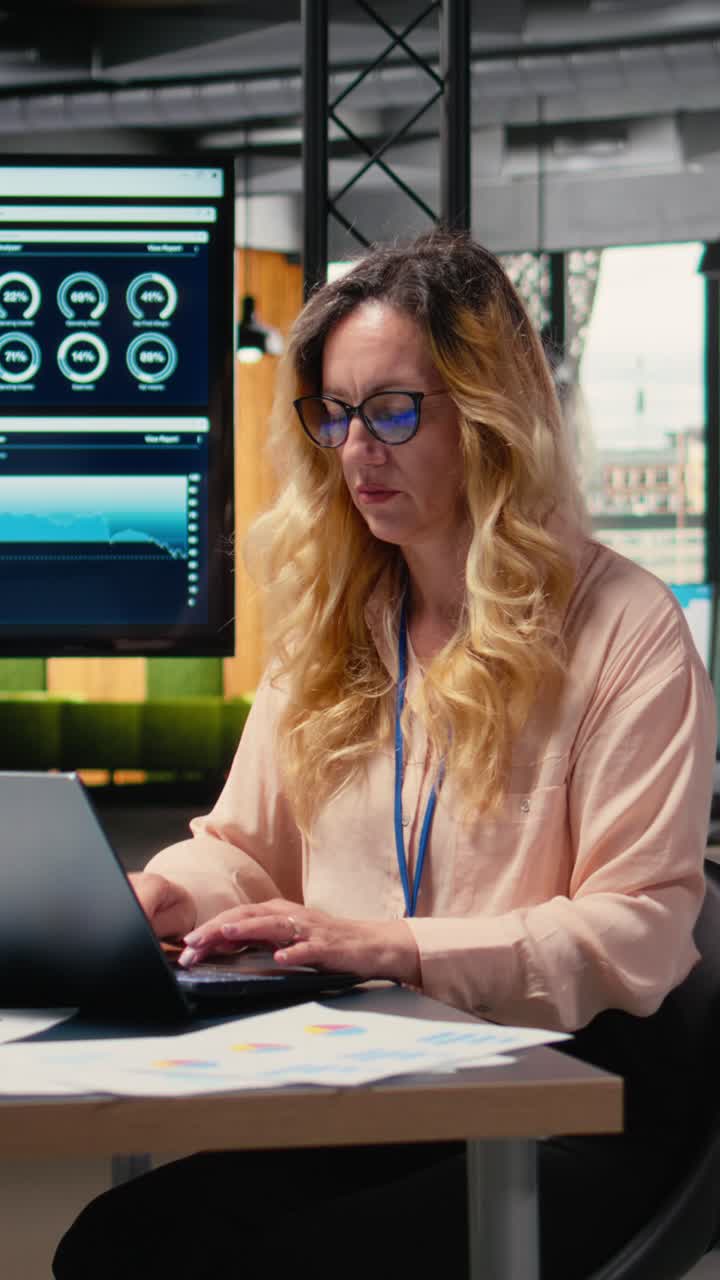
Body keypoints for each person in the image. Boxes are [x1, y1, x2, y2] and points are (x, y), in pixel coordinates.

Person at [53, 229, 716, 1279]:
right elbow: (244, 847)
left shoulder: (626, 628)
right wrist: (168, 893)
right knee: (117, 1246)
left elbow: (636, 926)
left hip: (573, 1093)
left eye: (393, 410)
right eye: (335, 412)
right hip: (388, 1078)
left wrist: (400, 946)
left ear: (489, 415)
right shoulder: (342, 617)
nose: (358, 448)